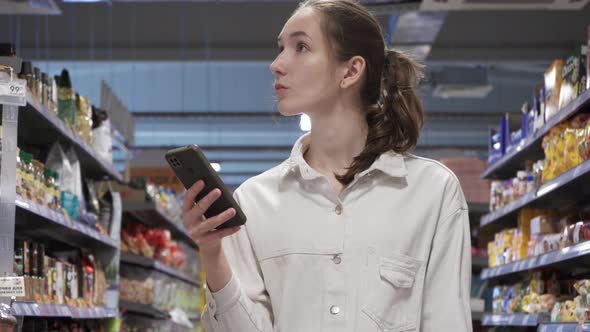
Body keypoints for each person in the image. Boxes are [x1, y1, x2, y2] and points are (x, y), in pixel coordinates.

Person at [183, 0, 472, 331]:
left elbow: (447, 321)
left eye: (301, 47)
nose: (276, 64)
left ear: (350, 71)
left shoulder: (432, 192)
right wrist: (212, 252)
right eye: (280, 48)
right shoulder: (255, 200)